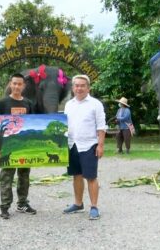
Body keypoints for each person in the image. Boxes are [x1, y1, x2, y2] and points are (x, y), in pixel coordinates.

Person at [0, 73, 36, 220]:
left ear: (23, 86)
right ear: (10, 84)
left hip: (24, 147)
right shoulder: (2, 103)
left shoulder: (28, 104)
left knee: (24, 175)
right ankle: (4, 207)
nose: (17, 86)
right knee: (6, 176)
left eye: (20, 84)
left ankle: (22, 203)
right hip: (7, 146)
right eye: (14, 83)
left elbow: (32, 124)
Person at [63, 74, 106, 220]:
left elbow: (101, 126)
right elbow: (65, 125)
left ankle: (94, 207)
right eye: (76, 85)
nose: (79, 88)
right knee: (77, 175)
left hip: (89, 145)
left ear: (88, 88)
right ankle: (78, 203)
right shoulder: (69, 104)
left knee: (91, 177)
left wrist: (100, 145)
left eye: (82, 85)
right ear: (73, 88)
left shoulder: (96, 104)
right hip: (72, 144)